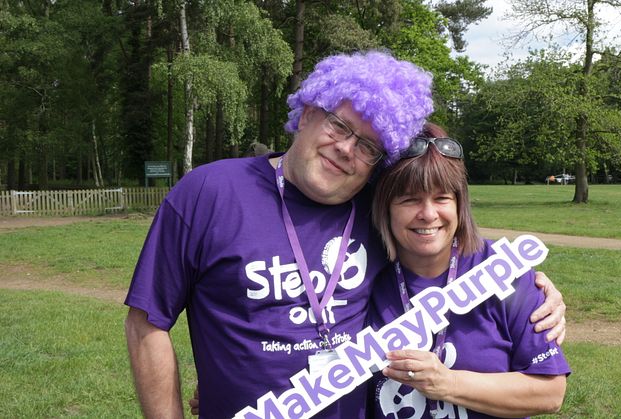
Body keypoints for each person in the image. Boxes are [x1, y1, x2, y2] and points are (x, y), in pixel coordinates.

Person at [125, 50, 566, 419]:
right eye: (339, 124)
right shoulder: (209, 192)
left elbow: (439, 229)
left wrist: (534, 288)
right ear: (307, 112)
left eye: (370, 146)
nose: (346, 149)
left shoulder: (375, 205)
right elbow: (148, 322)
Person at [367, 123, 570, 418]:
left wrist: (446, 383)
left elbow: (550, 392)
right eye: (409, 199)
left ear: (460, 204)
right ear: (386, 207)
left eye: (441, 198)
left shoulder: (504, 272)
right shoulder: (363, 277)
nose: (428, 214)